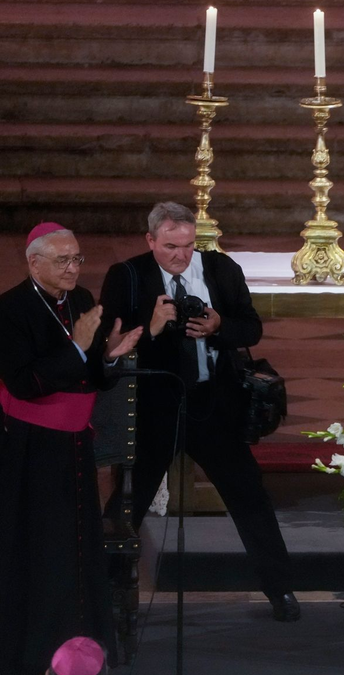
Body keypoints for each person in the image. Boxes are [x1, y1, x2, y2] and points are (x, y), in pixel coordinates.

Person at [97, 202, 300, 622]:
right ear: (151, 240)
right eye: (170, 246)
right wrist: (151, 329)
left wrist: (219, 327)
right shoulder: (128, 276)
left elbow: (252, 328)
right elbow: (109, 348)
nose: (181, 256)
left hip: (213, 405)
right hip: (153, 411)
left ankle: (280, 590)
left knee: (249, 496)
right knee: (127, 506)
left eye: (189, 246)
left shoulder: (221, 269)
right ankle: (100, 592)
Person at [0, 223, 141, 675]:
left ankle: (80, 648)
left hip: (76, 447)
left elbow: (91, 378)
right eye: (62, 260)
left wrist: (110, 355)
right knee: (43, 553)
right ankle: (35, 653)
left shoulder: (80, 302)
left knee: (79, 549)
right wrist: (80, 345)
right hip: (30, 453)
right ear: (33, 261)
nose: (72, 268)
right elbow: (25, 384)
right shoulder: (10, 311)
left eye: (77, 259)